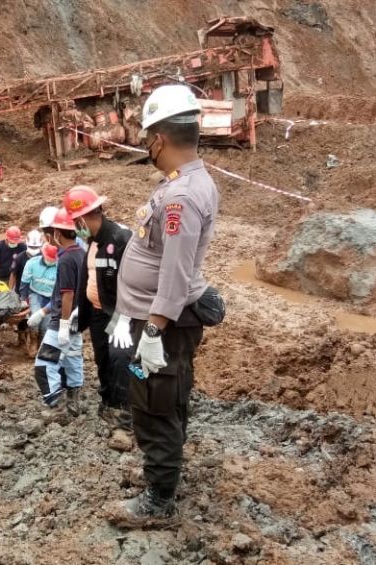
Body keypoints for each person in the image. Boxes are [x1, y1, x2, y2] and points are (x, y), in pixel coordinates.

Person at [107, 84, 219, 528]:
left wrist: (152, 332)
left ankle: (158, 501)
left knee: (153, 405)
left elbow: (175, 271)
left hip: (159, 326)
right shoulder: (181, 184)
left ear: (158, 139)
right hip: (154, 320)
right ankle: (163, 476)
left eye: (147, 138)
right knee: (164, 398)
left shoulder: (182, 197)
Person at [64, 186, 134, 432]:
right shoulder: (92, 242)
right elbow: (89, 279)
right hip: (96, 312)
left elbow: (135, 281)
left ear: (82, 219)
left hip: (119, 313)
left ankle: (126, 413)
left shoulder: (120, 239)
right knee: (102, 358)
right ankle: (108, 403)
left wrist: (124, 317)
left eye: (75, 222)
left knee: (120, 359)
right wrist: (79, 310)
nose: (75, 227)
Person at [28, 208, 86, 418]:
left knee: (44, 365)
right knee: (72, 358)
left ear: (57, 233)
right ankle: (73, 402)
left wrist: (62, 325)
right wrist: (43, 312)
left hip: (64, 320)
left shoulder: (67, 259)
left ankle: (57, 406)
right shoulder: (81, 254)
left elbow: (67, 294)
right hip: (77, 319)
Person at [19, 243, 58, 355]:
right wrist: (23, 299)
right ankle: (33, 342)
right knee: (34, 320)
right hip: (36, 294)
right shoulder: (32, 263)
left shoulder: (61, 266)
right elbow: (24, 282)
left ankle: (41, 345)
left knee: (46, 325)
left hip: (52, 298)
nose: (50, 261)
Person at [8, 230, 43, 346]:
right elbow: (13, 275)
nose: (34, 249)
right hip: (21, 292)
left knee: (36, 317)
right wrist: (10, 292)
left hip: (38, 293)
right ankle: (21, 339)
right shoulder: (20, 258)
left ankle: (34, 340)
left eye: (35, 247)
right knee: (21, 317)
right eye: (32, 246)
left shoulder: (44, 257)